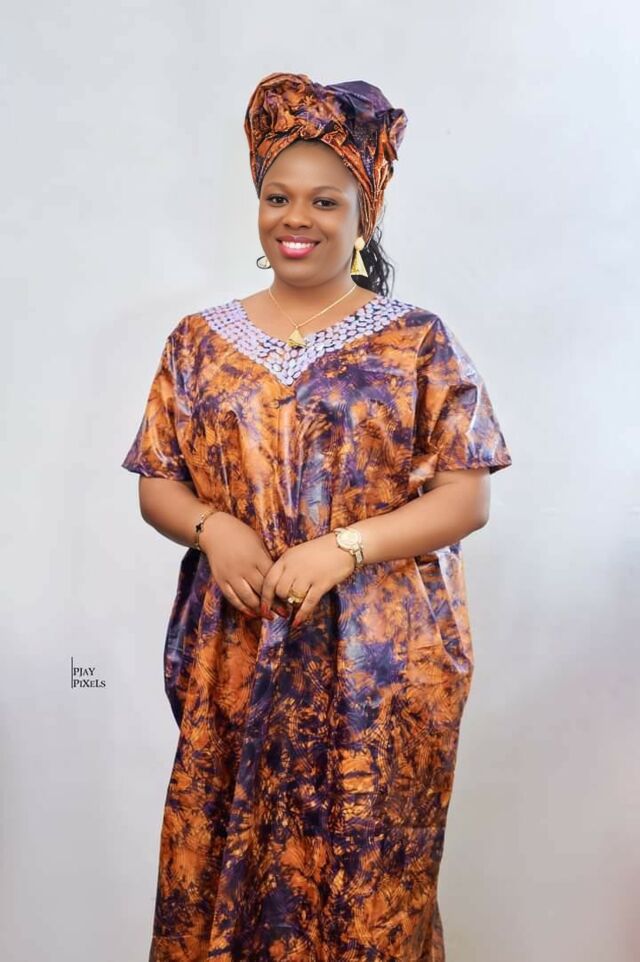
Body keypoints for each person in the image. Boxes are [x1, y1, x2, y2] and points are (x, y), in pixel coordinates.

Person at [122, 70, 513, 962]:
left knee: (368, 883)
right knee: (223, 862)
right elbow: (158, 481)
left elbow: (467, 496)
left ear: (365, 213)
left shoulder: (416, 340)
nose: (296, 219)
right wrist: (213, 528)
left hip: (379, 669)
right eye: (278, 197)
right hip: (236, 650)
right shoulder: (199, 343)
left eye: (325, 200)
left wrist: (346, 548)